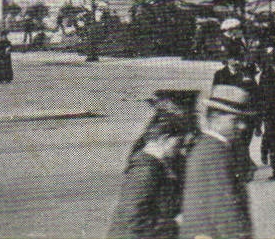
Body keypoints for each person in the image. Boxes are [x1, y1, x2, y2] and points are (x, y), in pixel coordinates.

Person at [108, 90, 196, 239]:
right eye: (179, 142)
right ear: (164, 138)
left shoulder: (158, 164)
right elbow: (134, 222)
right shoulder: (146, 168)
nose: (181, 149)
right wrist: (175, 224)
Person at [180, 85, 256, 239]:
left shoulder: (208, 146)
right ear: (215, 118)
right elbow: (224, 208)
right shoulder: (216, 152)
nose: (242, 126)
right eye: (235, 120)